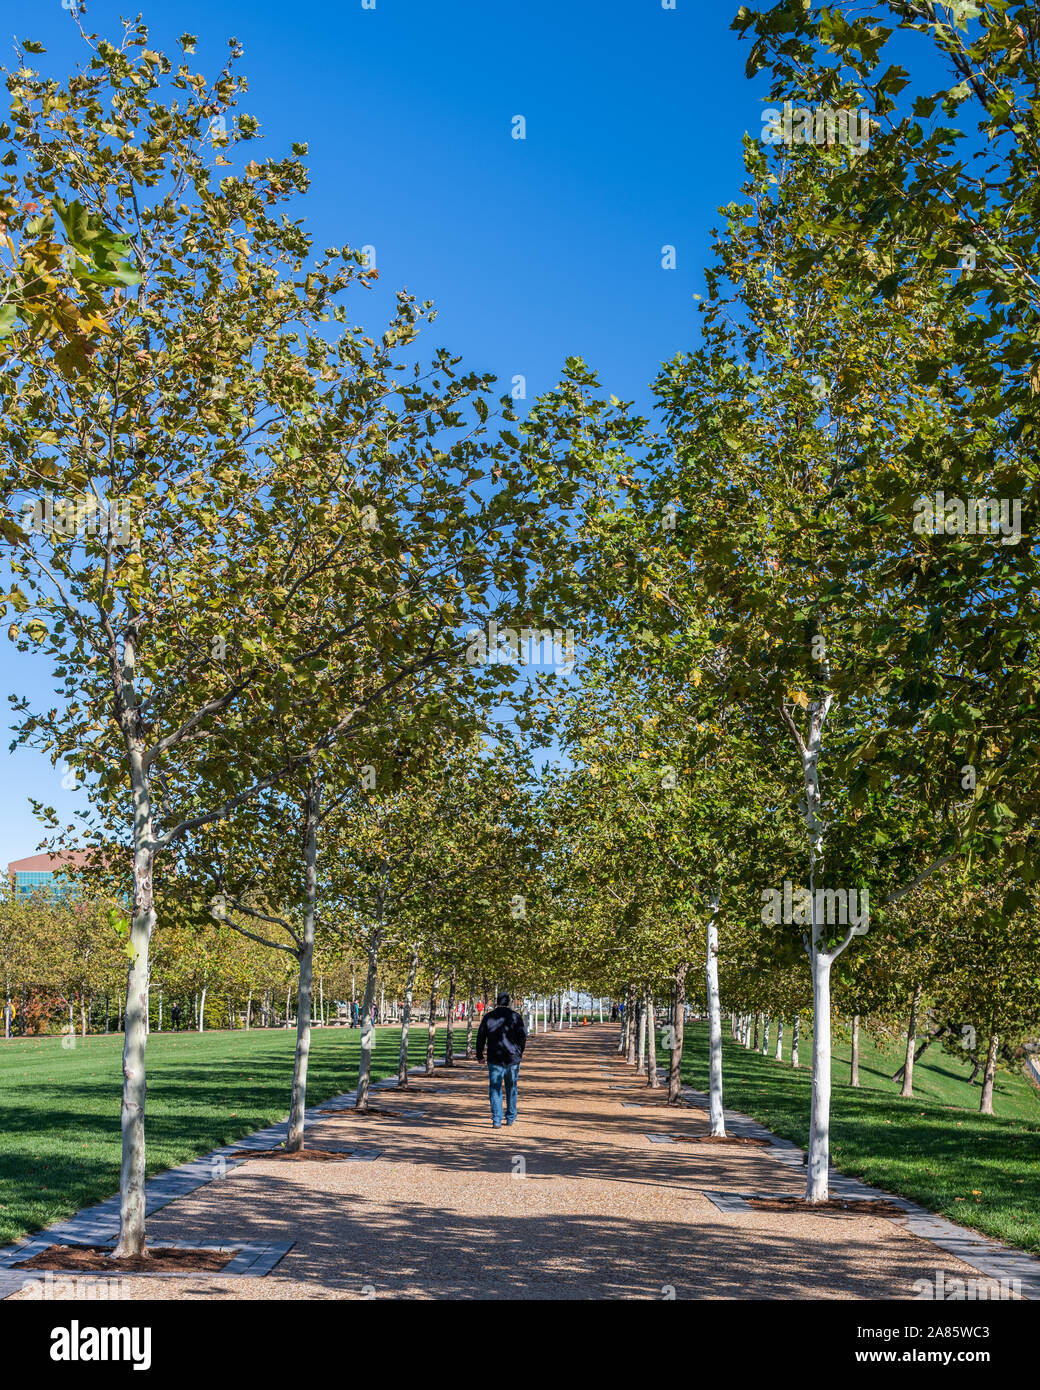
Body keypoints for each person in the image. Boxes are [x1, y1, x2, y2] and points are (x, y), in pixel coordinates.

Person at [476, 991, 527, 1128]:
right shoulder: (516, 1017)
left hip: (495, 1057)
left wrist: (479, 1055)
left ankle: (497, 1119)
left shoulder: (488, 1017)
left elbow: (481, 1037)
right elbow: (522, 1036)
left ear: (497, 1002)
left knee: (495, 1088)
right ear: (509, 1002)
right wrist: (519, 1051)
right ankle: (510, 1116)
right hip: (512, 1057)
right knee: (511, 1087)